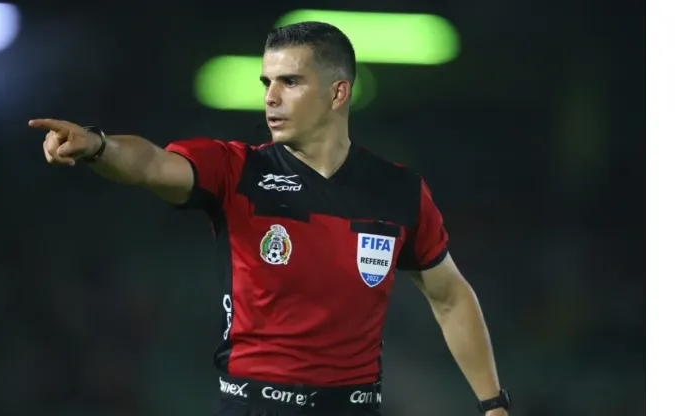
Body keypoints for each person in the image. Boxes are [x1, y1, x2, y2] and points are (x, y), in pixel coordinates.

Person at [28, 21, 511, 416]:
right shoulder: (236, 169)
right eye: (267, 83)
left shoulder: (398, 190)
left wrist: (493, 405)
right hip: (254, 407)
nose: (270, 97)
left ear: (338, 92)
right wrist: (99, 145)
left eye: (290, 81)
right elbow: (151, 163)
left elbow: (450, 297)